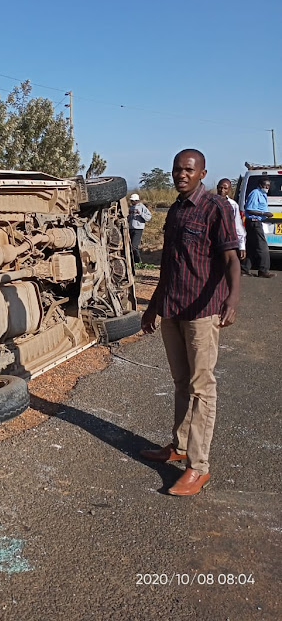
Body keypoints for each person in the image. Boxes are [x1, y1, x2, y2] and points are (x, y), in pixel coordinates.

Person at [140, 149, 240, 497]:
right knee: (181, 382)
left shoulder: (217, 208)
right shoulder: (176, 209)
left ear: (202, 173)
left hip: (202, 312)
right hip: (172, 308)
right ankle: (179, 445)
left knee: (202, 388)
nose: (181, 175)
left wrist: (232, 298)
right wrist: (153, 307)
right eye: (177, 170)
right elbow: (168, 265)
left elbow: (230, 257)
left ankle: (198, 467)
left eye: (188, 170)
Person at [241, 177, 275, 278]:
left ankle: (244, 269)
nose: (267, 188)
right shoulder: (255, 193)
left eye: (269, 186)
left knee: (251, 247)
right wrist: (264, 213)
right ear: (260, 185)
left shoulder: (263, 194)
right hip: (254, 222)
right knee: (262, 247)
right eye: (266, 186)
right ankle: (263, 270)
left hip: (257, 222)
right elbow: (249, 209)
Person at [216, 178, 246, 266]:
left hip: (227, 241)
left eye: (225, 188)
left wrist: (242, 246)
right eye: (220, 188)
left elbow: (238, 227)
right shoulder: (209, 203)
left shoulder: (233, 205)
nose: (222, 190)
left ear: (229, 190)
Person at [128, 193, 152, 264]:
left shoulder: (142, 207)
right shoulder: (131, 207)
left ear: (137, 200)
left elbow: (149, 217)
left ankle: (138, 261)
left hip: (138, 228)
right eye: (131, 201)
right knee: (130, 246)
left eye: (133, 201)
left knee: (134, 246)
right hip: (131, 228)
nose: (132, 202)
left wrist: (140, 213)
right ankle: (132, 261)